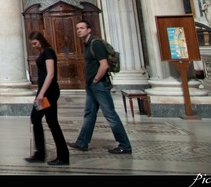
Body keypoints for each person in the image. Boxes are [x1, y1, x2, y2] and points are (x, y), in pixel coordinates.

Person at [69, 20, 132, 155]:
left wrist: (96, 79)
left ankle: (125, 145)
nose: (79, 30)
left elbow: (104, 65)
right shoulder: (87, 44)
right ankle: (82, 142)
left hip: (99, 85)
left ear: (89, 29)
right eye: (77, 28)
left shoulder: (96, 44)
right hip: (92, 85)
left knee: (110, 114)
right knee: (89, 114)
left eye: (82, 28)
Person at [26, 31, 70, 166]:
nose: (34, 46)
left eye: (35, 43)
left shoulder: (48, 52)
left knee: (39, 118)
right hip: (46, 92)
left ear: (41, 40)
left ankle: (56, 155)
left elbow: (50, 74)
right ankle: (48, 154)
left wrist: (41, 94)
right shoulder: (43, 52)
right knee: (46, 120)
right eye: (32, 44)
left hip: (49, 93)